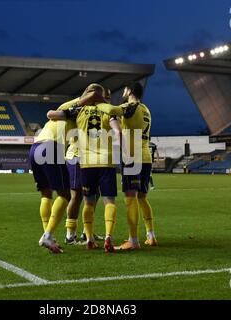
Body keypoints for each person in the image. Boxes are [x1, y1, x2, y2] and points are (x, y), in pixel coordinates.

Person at [47, 84, 122, 253]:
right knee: (77, 195)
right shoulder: (78, 107)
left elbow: (54, 114)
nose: (106, 100)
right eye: (105, 96)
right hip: (76, 156)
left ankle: (88, 233)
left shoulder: (81, 110)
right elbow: (56, 113)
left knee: (93, 196)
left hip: (87, 159)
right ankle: (70, 234)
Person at [31, 85, 101, 253]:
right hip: (51, 147)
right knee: (65, 195)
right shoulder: (79, 107)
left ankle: (49, 236)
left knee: (46, 194)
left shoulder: (69, 107)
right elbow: (92, 94)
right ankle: (48, 235)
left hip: (35, 147)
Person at [115, 82, 157, 250]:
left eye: (125, 89)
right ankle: (151, 235)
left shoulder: (129, 106)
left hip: (132, 157)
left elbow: (111, 112)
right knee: (142, 197)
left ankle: (133, 240)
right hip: (146, 156)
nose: (123, 92)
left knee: (130, 197)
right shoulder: (146, 109)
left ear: (130, 91)